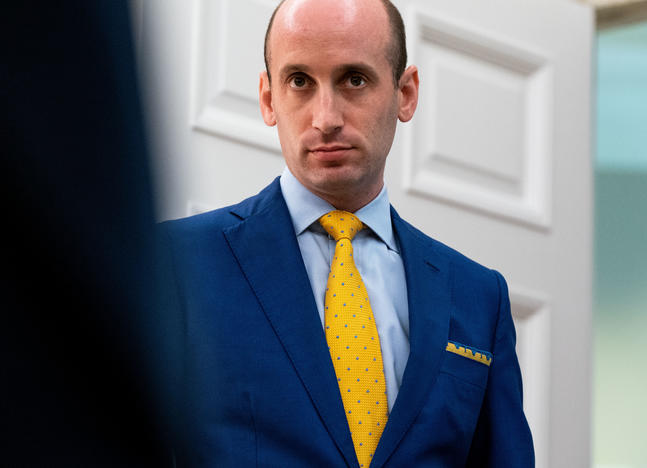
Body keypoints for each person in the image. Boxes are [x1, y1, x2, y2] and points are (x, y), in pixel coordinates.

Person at [157, 0, 534, 466]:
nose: (326, 118)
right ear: (268, 98)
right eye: (300, 82)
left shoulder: (479, 296)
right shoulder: (175, 263)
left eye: (354, 79)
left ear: (406, 93)